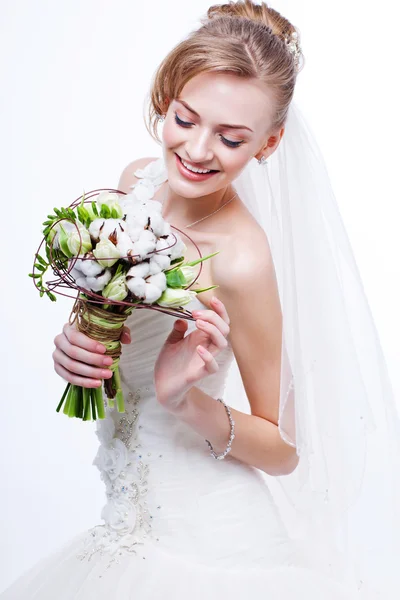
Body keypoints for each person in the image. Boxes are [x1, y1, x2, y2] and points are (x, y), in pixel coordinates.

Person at [2, 1, 399, 598]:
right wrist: (80, 344)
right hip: (123, 524)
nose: (198, 151)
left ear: (268, 143)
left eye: (232, 138)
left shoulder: (241, 257)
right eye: (187, 120)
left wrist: (181, 399)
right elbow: (112, 318)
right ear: (166, 100)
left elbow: (286, 448)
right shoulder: (137, 180)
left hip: (206, 544)